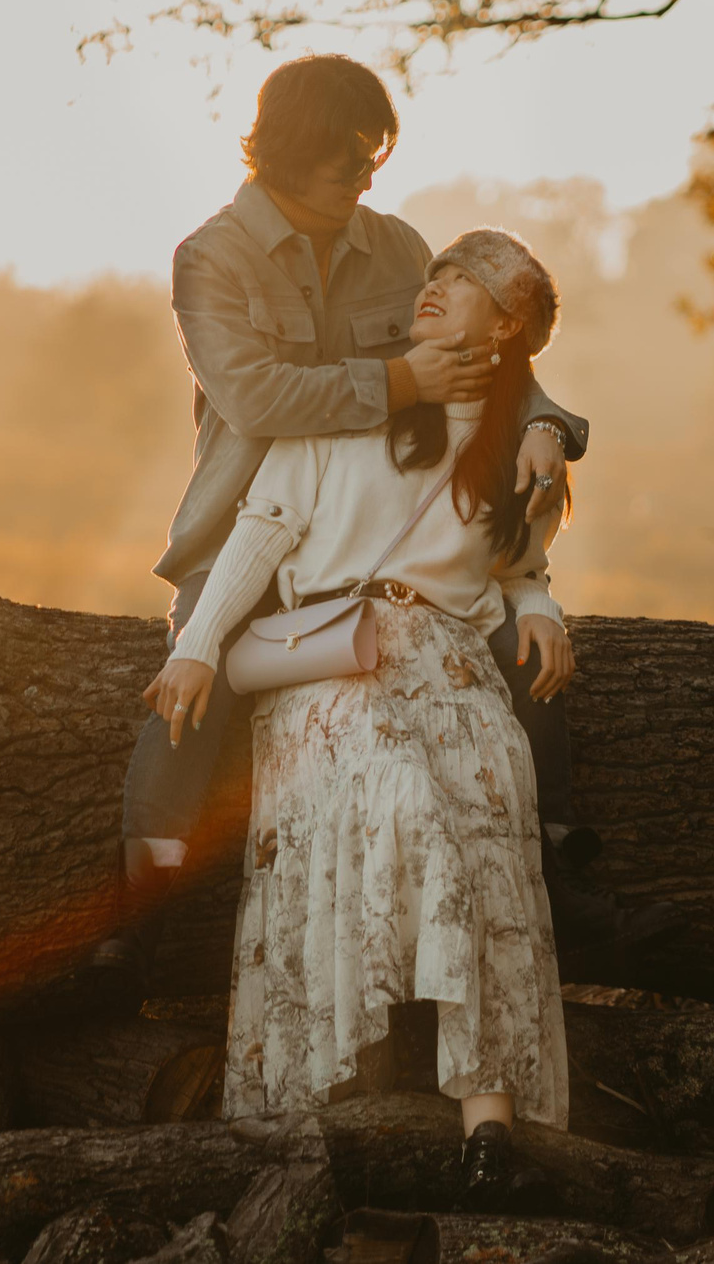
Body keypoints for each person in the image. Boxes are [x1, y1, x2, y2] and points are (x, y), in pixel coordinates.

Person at [93, 54, 666, 993]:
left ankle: (564, 888)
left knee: (522, 654)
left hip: (386, 523)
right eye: (348, 154)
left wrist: (544, 425)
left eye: (374, 152)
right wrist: (401, 382)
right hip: (255, 521)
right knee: (195, 680)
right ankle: (135, 926)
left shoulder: (398, 247)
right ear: (290, 148)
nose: (367, 172)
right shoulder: (211, 257)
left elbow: (487, 348)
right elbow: (254, 394)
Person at [141, 230, 571, 1202]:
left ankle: (488, 1123)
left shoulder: (516, 446)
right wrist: (198, 645)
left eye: (462, 285)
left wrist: (541, 615)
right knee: (403, 795)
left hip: (453, 668)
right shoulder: (351, 403)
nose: (434, 290)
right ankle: (327, 1099)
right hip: (334, 663)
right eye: (435, 275)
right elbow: (265, 527)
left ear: (503, 329)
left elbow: (519, 566)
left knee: (488, 808)